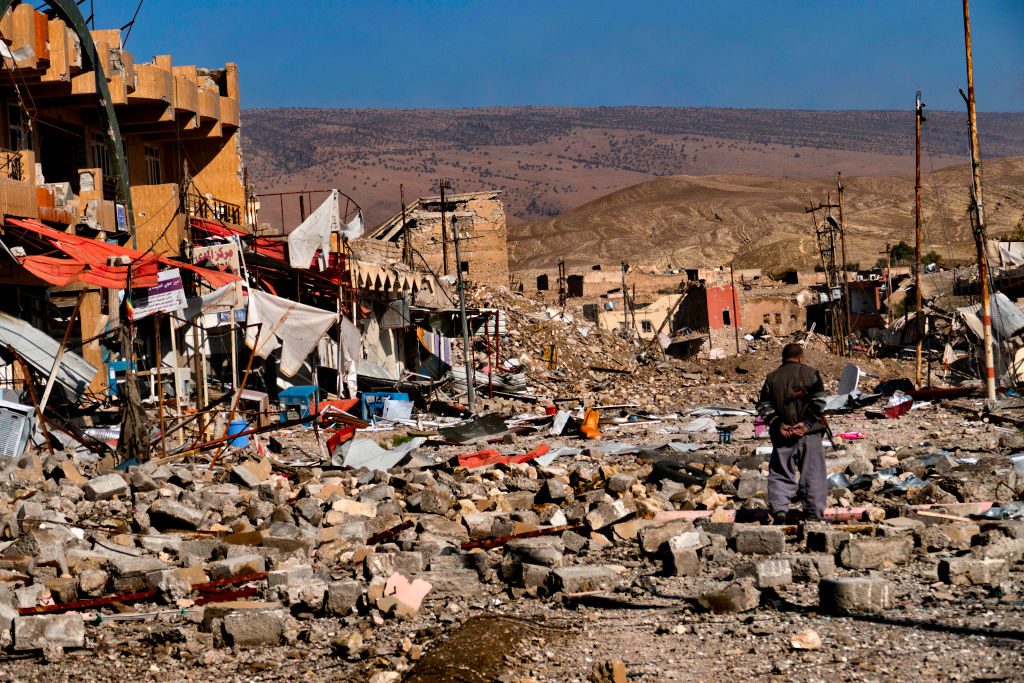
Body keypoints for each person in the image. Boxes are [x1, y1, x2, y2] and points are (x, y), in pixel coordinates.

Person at [755, 343, 828, 524]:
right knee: (813, 474)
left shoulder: (772, 378)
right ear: (801, 358)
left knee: (780, 472)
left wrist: (778, 424)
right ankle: (814, 516)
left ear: (783, 358)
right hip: (809, 434)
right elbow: (819, 402)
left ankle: (779, 510)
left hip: (783, 435)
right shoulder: (811, 374)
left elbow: (764, 407)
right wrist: (807, 423)